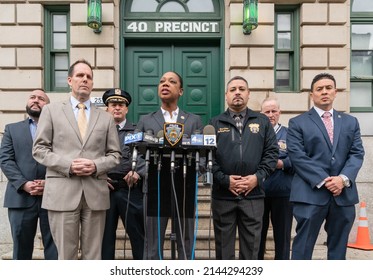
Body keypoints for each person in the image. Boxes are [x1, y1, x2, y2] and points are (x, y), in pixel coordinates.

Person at [32, 59, 121, 260]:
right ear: (70, 80)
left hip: (95, 194)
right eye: (80, 75)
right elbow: (39, 149)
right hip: (62, 192)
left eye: (89, 77)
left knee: (93, 256)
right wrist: (69, 165)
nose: (85, 80)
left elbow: (115, 155)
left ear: (92, 84)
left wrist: (95, 165)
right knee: (66, 256)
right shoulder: (51, 111)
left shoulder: (106, 117)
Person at [287, 73, 365, 260]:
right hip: (310, 194)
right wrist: (325, 180)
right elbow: (298, 157)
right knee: (302, 249)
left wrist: (342, 179)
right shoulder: (297, 123)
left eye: (328, 88)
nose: (324, 92)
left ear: (335, 92)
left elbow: (357, 153)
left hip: (343, 195)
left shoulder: (350, 122)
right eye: (319, 89)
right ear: (312, 94)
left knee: (338, 251)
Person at [209, 76, 278, 260]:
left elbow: (272, 154)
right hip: (223, 195)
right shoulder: (214, 123)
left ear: (248, 94)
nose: (237, 92)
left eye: (241, 89)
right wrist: (225, 180)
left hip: (253, 196)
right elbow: (207, 158)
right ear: (226, 95)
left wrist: (257, 178)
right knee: (224, 250)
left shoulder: (262, 121)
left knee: (252, 249)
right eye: (232, 89)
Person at [136, 71, 203, 260]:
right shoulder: (146, 120)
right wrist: (146, 172)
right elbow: (133, 153)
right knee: (152, 243)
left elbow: (203, 154)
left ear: (180, 91)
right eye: (162, 81)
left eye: (171, 82)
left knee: (186, 242)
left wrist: (195, 172)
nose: (165, 84)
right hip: (156, 187)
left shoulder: (193, 120)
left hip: (185, 186)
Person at [0, 89, 57, 260]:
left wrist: (49, 182)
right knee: (21, 250)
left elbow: (64, 158)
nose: (36, 100)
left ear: (48, 106)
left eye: (41, 98)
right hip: (20, 197)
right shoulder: (12, 129)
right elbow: (5, 160)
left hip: (53, 196)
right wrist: (24, 184)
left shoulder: (59, 130)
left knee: (55, 249)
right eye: (32, 97)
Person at [101, 88, 146, 260]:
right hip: (105, 190)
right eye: (113, 104)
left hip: (131, 190)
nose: (117, 108)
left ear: (127, 109)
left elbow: (144, 156)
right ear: (107, 108)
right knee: (104, 239)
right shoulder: (99, 132)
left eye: (121, 105)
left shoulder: (136, 132)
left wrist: (138, 172)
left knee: (138, 237)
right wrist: (98, 177)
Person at [258, 97, 293, 260]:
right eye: (267, 111)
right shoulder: (255, 134)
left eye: (274, 111)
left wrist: (281, 163)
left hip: (283, 192)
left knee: (283, 236)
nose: (270, 114)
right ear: (261, 114)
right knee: (257, 236)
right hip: (258, 192)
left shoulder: (290, 134)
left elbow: (298, 160)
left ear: (280, 112)